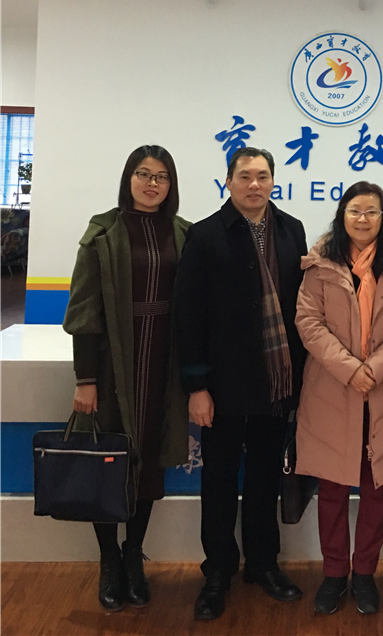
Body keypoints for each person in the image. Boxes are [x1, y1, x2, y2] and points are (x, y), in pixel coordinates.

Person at [175, 147, 307, 622]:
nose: (255, 184)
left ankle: (264, 564)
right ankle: (218, 572)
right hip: (224, 385)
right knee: (218, 479)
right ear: (228, 181)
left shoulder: (291, 230)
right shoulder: (205, 234)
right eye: (245, 176)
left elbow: (301, 307)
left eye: (263, 176)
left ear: (273, 181)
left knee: (266, 477)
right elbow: (189, 316)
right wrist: (197, 387)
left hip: (276, 383)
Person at [63, 145, 190, 612]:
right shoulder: (104, 232)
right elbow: (84, 310)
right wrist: (86, 379)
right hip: (113, 365)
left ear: (171, 184)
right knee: (108, 463)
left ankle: (134, 554)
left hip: (162, 366)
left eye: (161, 176)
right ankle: (108, 560)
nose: (152, 183)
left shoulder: (183, 232)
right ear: (128, 179)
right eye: (143, 174)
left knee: (149, 462)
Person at [294, 181, 383, 616]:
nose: (363, 219)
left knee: (376, 491)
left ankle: (365, 574)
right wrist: (351, 369)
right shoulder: (320, 262)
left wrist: (375, 368)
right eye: (355, 211)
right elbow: (308, 322)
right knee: (331, 489)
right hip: (332, 391)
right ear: (342, 215)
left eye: (372, 212)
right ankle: (334, 574)